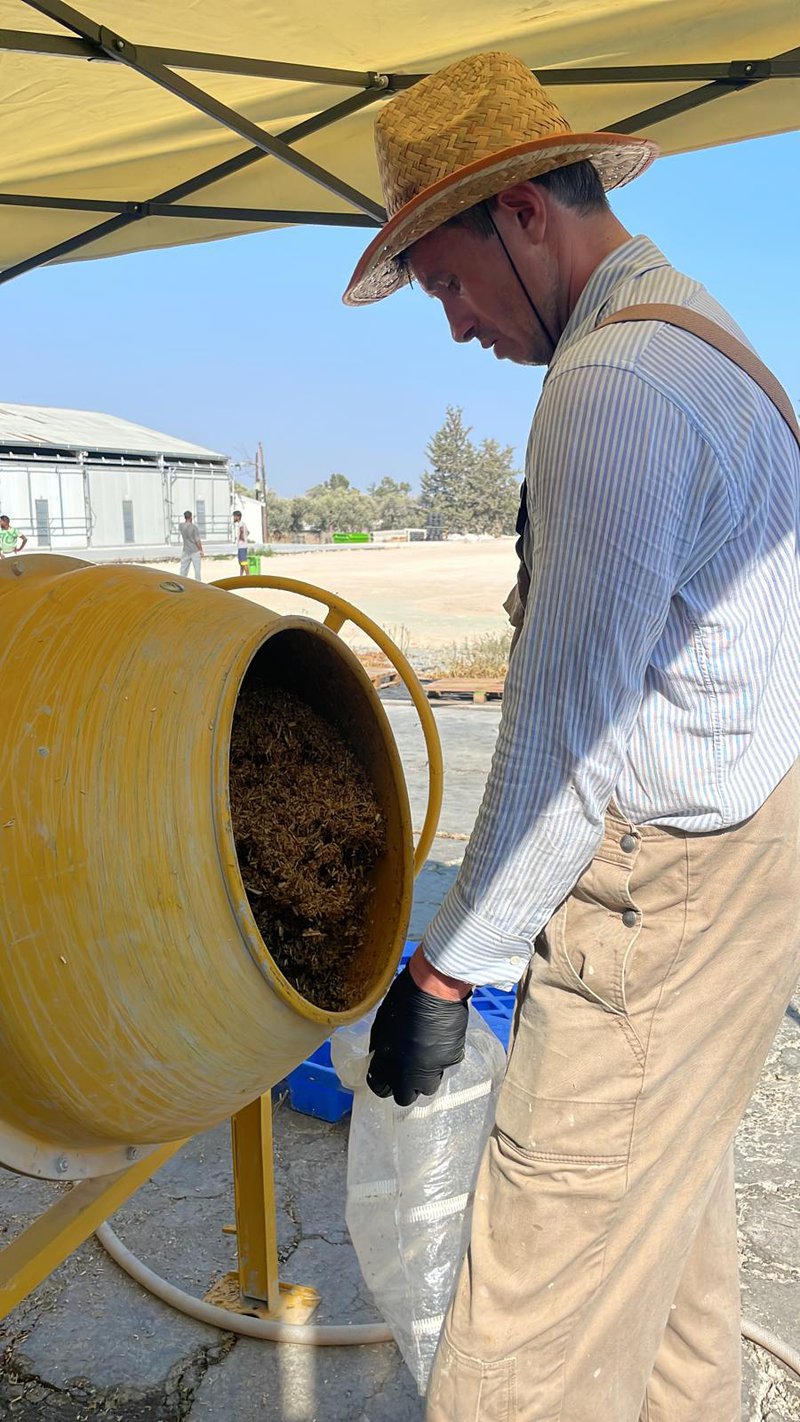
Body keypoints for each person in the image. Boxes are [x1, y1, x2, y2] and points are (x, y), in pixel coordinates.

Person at [344, 51, 800, 1422]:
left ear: (525, 217)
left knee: (519, 1354)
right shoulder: (699, 332)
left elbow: (567, 749)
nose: (458, 327)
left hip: (661, 906)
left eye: (448, 283)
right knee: (665, 1263)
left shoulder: (612, 392)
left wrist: (442, 978)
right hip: (748, 855)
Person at [178, 510, 203, 580]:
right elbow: (197, 540)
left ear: (185, 517)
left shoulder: (181, 526)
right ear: (191, 517)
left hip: (185, 549)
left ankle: (182, 581)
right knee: (197, 569)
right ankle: (198, 583)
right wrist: (201, 550)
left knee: (183, 569)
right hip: (194, 550)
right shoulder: (194, 527)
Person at [233, 509, 250, 576]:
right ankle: (241, 576)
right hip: (241, 546)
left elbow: (242, 531)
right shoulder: (242, 524)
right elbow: (248, 532)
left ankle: (248, 576)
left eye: (234, 516)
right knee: (241, 562)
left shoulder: (241, 524)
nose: (234, 518)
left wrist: (241, 538)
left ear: (238, 517)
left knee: (243, 562)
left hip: (242, 546)